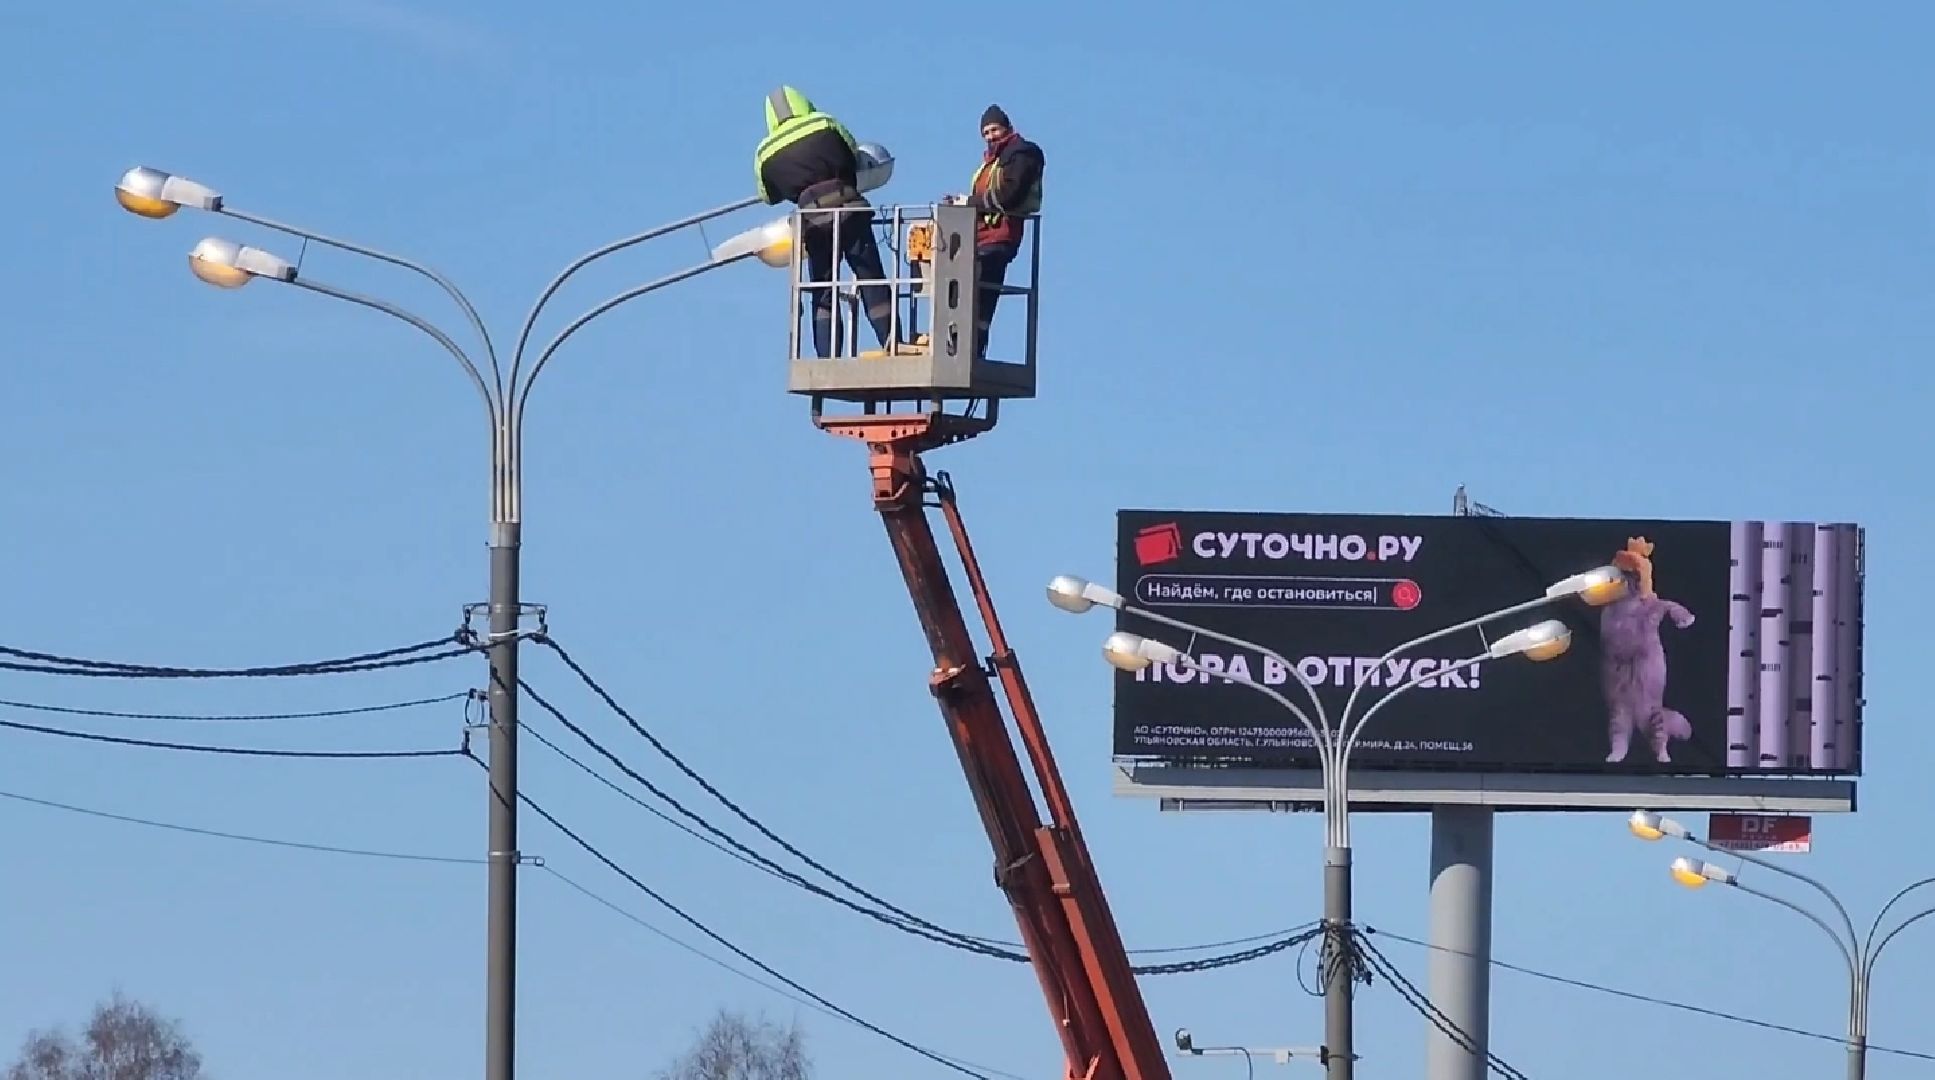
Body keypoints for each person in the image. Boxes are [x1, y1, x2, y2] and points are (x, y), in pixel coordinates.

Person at [754, 85, 898, 358]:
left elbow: (767, 196)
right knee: (871, 279)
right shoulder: (824, 122)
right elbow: (852, 153)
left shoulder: (764, 152)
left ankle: (826, 356)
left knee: (823, 288)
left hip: (814, 221)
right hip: (850, 208)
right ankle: (893, 342)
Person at [963, 105, 1044, 359]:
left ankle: (972, 348)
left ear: (1007, 127)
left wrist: (969, 204)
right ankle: (959, 343)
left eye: (994, 129)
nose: (990, 136)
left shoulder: (1022, 154)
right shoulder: (991, 162)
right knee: (961, 288)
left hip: (1001, 236)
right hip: (979, 237)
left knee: (983, 293)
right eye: (985, 132)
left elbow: (1010, 194)